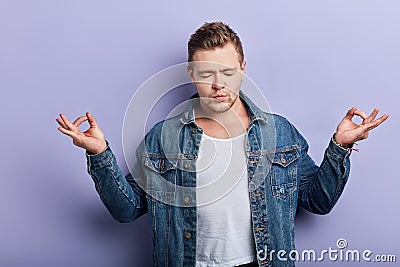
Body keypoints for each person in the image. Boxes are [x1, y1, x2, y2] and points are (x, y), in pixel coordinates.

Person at [56, 22, 389, 267]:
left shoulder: (281, 133)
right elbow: (126, 210)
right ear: (190, 73)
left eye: (228, 73)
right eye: (206, 73)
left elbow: (318, 202)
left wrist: (339, 148)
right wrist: (98, 154)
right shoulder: (164, 136)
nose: (218, 85)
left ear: (243, 69)